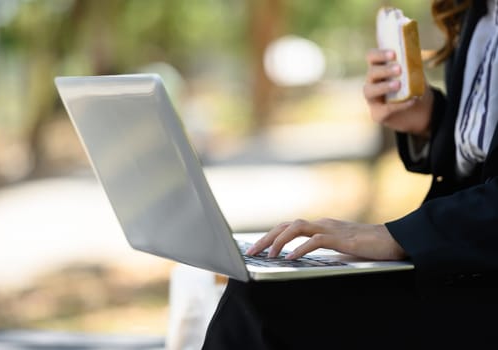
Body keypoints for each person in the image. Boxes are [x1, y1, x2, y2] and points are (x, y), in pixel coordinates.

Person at [201, 0, 498, 349]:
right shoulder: (474, 10)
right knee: (261, 288)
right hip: (464, 261)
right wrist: (429, 120)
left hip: (479, 281)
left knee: (267, 304)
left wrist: (395, 236)